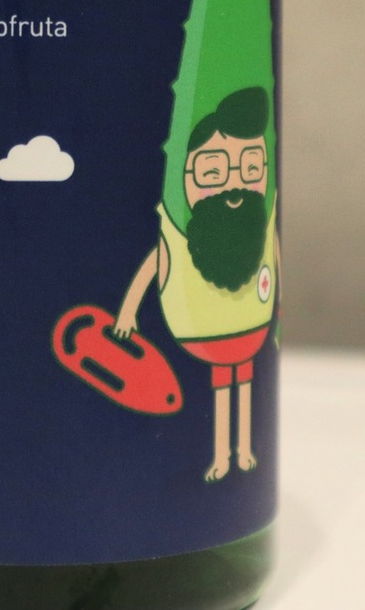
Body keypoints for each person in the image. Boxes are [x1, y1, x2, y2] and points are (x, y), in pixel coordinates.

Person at [113, 86, 280, 481]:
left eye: (251, 168)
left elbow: (274, 255)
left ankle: (242, 451)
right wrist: (128, 311)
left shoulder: (259, 228)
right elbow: (153, 265)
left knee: (245, 384)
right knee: (224, 389)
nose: (234, 185)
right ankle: (222, 456)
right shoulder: (181, 239)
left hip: (250, 333)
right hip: (209, 338)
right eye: (213, 172)